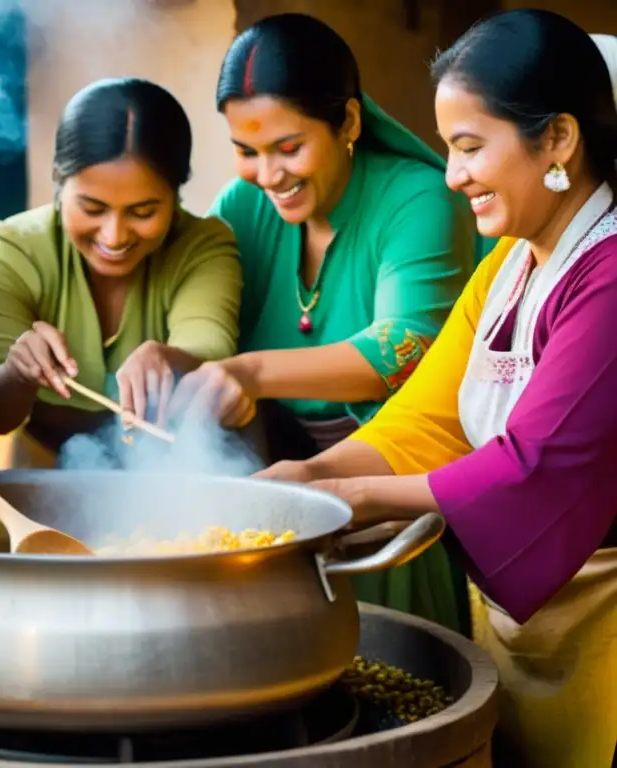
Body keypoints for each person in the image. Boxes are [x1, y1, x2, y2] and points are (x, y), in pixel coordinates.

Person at [261, 13, 617, 767]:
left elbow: (533, 466)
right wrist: (315, 477)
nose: (452, 176)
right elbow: (427, 417)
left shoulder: (609, 278)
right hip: (524, 630)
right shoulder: (508, 264)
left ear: (557, 140)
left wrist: (360, 501)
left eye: (469, 147)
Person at [173, 13, 486, 634]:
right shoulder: (243, 209)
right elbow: (192, 310)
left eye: (289, 148)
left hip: (384, 502)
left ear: (348, 121)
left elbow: (401, 349)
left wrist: (252, 372)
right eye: (245, 152)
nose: (269, 176)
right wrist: (168, 354)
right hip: (269, 504)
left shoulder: (420, 198)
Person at [0, 77, 243, 468]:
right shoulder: (14, 250)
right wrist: (16, 372)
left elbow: (213, 357)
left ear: (176, 195)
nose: (114, 236)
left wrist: (170, 357)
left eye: (143, 212)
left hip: (171, 472)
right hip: (42, 477)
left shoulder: (202, 246)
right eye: (92, 209)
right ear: (59, 183)